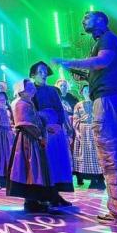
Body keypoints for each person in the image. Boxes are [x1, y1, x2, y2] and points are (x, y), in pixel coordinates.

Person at [54, 11, 117, 227]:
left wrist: (71, 61)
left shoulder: (107, 39)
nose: (83, 21)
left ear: (101, 20)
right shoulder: (106, 40)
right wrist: (81, 72)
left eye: (86, 18)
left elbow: (102, 61)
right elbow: (100, 68)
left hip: (107, 101)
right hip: (109, 99)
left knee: (111, 156)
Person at [6, 79, 55, 213]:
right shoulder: (20, 104)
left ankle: (34, 199)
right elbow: (25, 123)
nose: (33, 88)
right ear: (22, 90)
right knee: (30, 168)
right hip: (28, 140)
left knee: (34, 169)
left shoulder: (29, 103)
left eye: (33, 86)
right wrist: (39, 136)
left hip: (33, 138)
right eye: (30, 87)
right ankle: (31, 201)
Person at [30, 61, 74, 207]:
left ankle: (55, 194)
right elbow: (31, 111)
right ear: (33, 75)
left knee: (57, 161)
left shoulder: (53, 90)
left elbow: (60, 109)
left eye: (44, 71)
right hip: (41, 129)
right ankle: (41, 195)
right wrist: (42, 127)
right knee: (44, 163)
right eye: (40, 72)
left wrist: (59, 124)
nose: (43, 74)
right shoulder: (31, 90)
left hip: (55, 129)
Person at [72, 84, 106, 190]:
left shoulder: (96, 103)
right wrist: (77, 132)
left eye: (88, 90)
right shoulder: (78, 105)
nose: (87, 92)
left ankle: (99, 179)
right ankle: (91, 178)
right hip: (83, 131)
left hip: (94, 130)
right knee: (86, 156)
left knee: (96, 155)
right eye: (85, 90)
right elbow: (75, 119)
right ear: (82, 92)